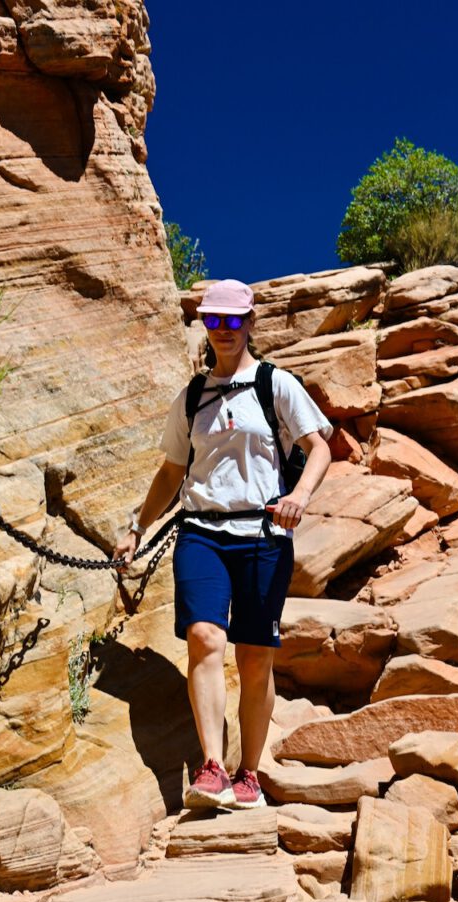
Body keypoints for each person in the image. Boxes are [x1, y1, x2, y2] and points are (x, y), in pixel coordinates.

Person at [114, 279, 332, 810]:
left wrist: (299, 495)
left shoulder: (275, 385)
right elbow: (171, 471)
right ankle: (212, 766)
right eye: (214, 320)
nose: (224, 330)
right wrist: (138, 526)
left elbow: (319, 447)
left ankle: (249, 773)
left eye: (233, 321)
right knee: (205, 638)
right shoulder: (192, 396)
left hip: (263, 535)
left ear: (251, 322)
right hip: (202, 533)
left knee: (255, 658)